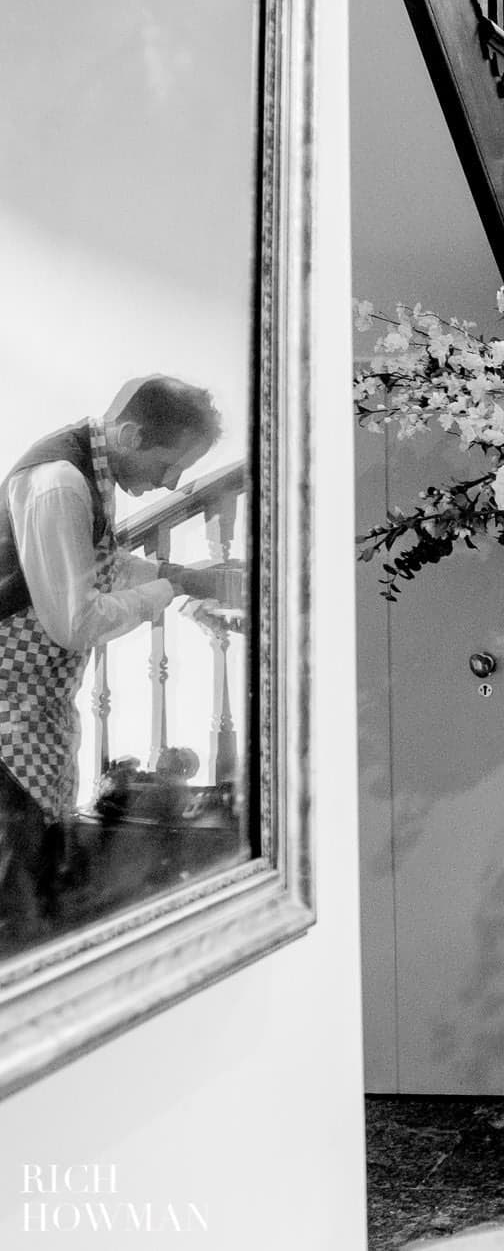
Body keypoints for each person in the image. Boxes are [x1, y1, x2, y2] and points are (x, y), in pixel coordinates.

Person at [0, 376, 233, 947]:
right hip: (7, 713)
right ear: (130, 434)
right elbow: (74, 623)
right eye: (170, 464)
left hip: (33, 706)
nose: (173, 483)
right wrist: (166, 593)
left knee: (34, 875)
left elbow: (97, 561)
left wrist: (183, 575)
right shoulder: (59, 482)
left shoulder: (90, 468)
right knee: (16, 891)